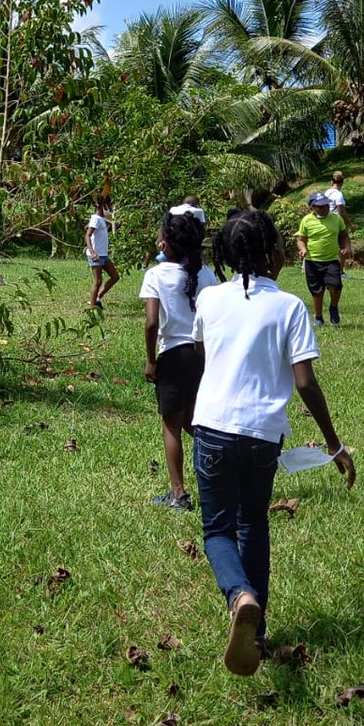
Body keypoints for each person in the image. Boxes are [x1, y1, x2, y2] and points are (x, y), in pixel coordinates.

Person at [191, 209, 355, 676]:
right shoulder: (289, 307)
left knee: (218, 530)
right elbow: (305, 383)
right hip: (263, 436)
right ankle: (256, 628)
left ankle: (239, 597)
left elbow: (206, 357)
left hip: (213, 429)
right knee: (253, 524)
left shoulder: (209, 299)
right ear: (272, 254)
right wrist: (334, 445)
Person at [140, 211, 217, 510]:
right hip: (203, 353)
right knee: (193, 419)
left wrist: (150, 360)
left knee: (171, 424)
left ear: (167, 244)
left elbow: (150, 323)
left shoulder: (156, 275)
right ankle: (224, 466)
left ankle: (178, 494)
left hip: (172, 354)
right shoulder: (207, 274)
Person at [295, 192, 352, 325]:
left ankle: (333, 308)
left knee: (336, 286)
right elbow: (301, 239)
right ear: (312, 207)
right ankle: (319, 318)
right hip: (312, 262)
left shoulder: (336, 218)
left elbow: (344, 236)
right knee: (317, 291)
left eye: (326, 205)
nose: (324, 208)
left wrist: (347, 247)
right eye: (320, 206)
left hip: (331, 260)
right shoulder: (306, 221)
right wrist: (303, 249)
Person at [85, 195, 119, 308]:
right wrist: (93, 252)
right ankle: (92, 308)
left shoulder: (101, 219)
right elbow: (87, 235)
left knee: (115, 277)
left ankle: (97, 298)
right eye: (109, 205)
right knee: (98, 281)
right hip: (96, 255)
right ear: (103, 206)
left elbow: (91, 229)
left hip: (103, 255)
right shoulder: (96, 218)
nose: (111, 207)